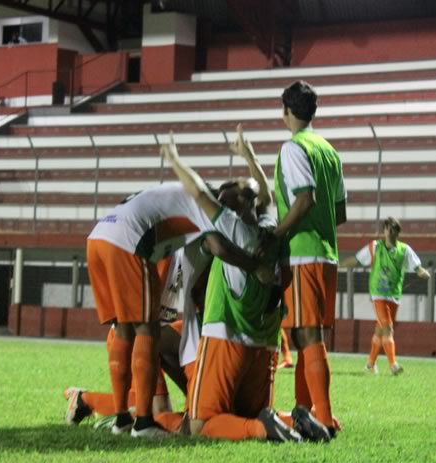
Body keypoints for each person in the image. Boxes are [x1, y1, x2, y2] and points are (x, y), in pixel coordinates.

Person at [161, 129, 330, 443]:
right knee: (246, 412)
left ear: (232, 203)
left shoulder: (235, 230)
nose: (221, 193)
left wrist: (174, 160)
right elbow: (263, 194)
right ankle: (293, 418)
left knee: (201, 424)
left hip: (226, 338)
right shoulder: (272, 229)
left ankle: (262, 430)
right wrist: (249, 155)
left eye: (229, 190)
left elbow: (198, 193)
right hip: (264, 345)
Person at [86, 173, 271, 438]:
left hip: (100, 235)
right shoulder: (205, 201)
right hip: (130, 242)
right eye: (242, 198)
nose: (240, 208)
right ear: (224, 193)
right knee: (146, 330)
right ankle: (143, 423)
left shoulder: (189, 195)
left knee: (124, 329)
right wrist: (256, 268)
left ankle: (122, 419)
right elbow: (218, 246)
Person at [267, 80, 347, 438]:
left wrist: (276, 232)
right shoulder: (329, 150)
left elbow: (304, 199)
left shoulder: (293, 148)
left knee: (308, 334)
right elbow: (340, 211)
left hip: (302, 254)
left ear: (286, 110)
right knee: (305, 335)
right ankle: (305, 412)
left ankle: (324, 417)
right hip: (327, 252)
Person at [339, 217, 430, 375]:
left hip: (394, 295)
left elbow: (417, 266)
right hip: (378, 294)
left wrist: (422, 272)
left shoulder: (404, 250)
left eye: (392, 228)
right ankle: (393, 364)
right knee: (388, 328)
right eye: (387, 228)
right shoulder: (375, 247)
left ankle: (370, 365)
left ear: (397, 232)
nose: (389, 231)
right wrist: (339, 265)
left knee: (380, 331)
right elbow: (358, 260)